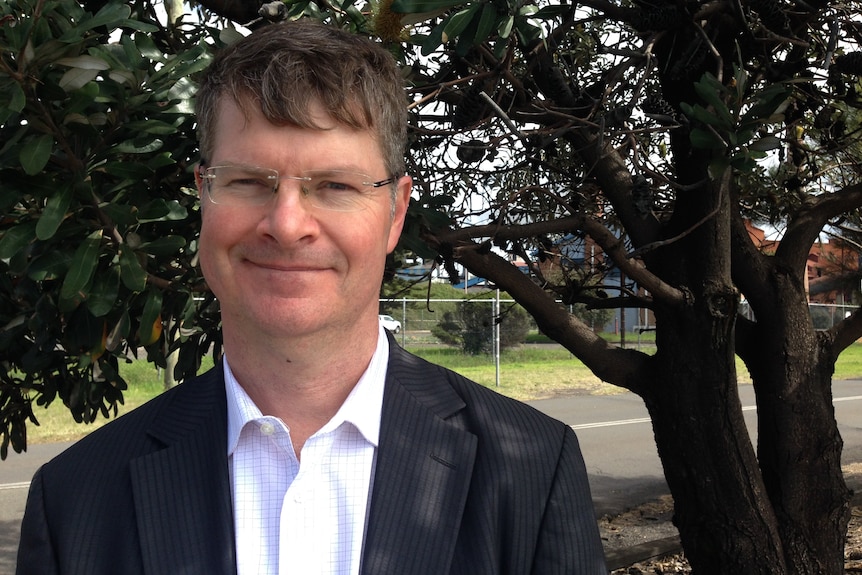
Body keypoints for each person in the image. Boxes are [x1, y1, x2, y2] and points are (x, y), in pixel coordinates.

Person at [16, 19, 607, 575]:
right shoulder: (74, 499)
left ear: (396, 212)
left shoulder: (532, 471)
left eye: (334, 185)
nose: (288, 223)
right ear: (204, 194)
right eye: (248, 181)